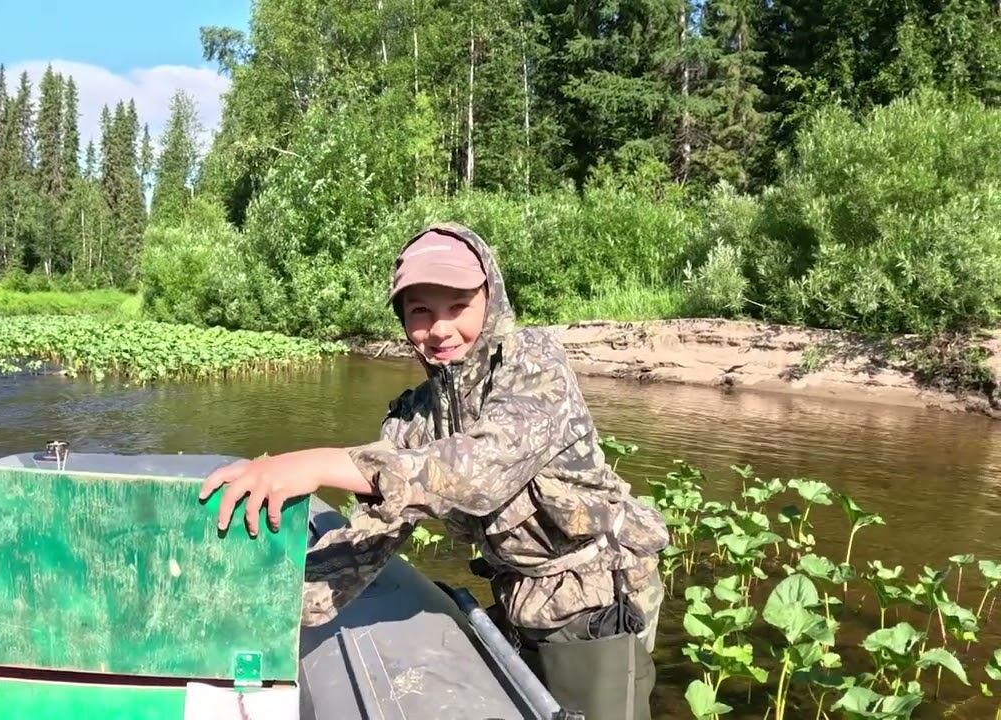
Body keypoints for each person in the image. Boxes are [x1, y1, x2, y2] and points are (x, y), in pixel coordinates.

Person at [199, 222, 670, 719]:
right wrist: (260, 606)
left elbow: (479, 472)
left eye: (458, 306)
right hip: (517, 597)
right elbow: (376, 532)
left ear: (491, 300)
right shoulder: (416, 416)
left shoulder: (534, 364)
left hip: (597, 599)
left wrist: (319, 462)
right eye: (420, 311)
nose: (440, 329)